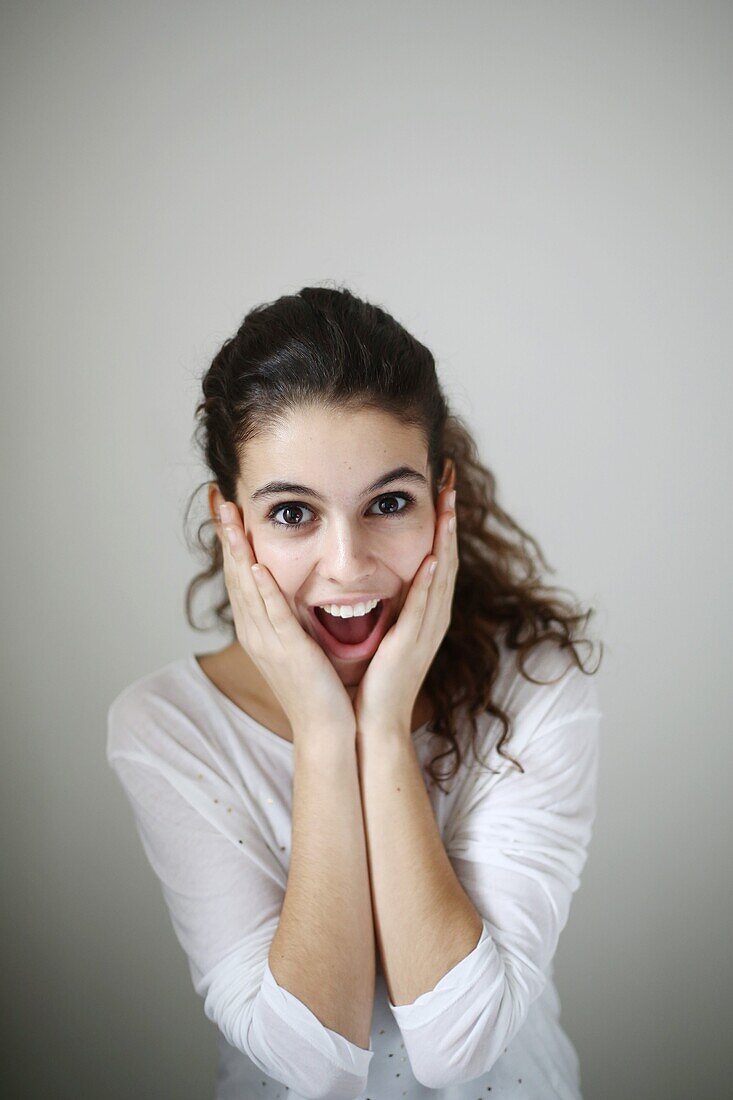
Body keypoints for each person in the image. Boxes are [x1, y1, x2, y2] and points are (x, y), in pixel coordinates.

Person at [107, 285, 604, 1099]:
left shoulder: (535, 684)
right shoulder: (166, 729)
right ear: (230, 521)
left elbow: (460, 1042)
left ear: (444, 500)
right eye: (293, 512)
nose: (347, 563)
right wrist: (320, 734)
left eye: (388, 503)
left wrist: (378, 724)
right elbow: (310, 1061)